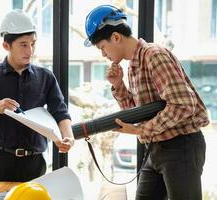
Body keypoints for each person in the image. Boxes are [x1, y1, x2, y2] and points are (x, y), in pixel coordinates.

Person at [84, 5, 209, 200]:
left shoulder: (154, 56)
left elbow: (183, 104)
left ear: (116, 37)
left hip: (181, 146)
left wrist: (140, 131)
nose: (103, 54)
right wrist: (118, 85)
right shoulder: (134, 65)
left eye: (102, 47)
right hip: (156, 146)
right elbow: (138, 113)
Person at [0, 9, 74, 182]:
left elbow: (60, 112)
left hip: (35, 164)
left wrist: (68, 136)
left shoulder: (46, 77)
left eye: (33, 43)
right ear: (6, 45)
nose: (30, 50)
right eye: (23, 44)